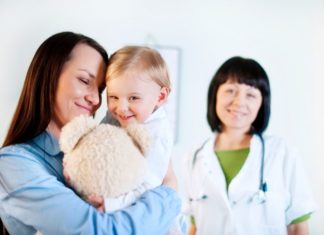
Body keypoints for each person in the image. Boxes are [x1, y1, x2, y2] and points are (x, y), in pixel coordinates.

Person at [0, 32, 181, 235]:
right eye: (85, 80)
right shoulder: (13, 163)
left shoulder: (107, 147)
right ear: (49, 75)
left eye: (101, 89)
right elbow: (98, 231)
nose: (96, 99)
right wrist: (169, 191)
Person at [182, 56, 316, 235]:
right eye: (230, 90)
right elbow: (194, 226)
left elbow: (298, 227)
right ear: (215, 95)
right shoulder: (194, 157)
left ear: (262, 104)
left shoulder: (283, 153)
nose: (239, 102)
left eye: (251, 94)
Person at [101, 46, 174, 211]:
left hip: (139, 211)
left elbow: (149, 185)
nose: (121, 107)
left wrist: (111, 204)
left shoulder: (158, 133)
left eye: (133, 98)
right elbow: (97, 141)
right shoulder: (115, 116)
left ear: (160, 96)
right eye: (113, 97)